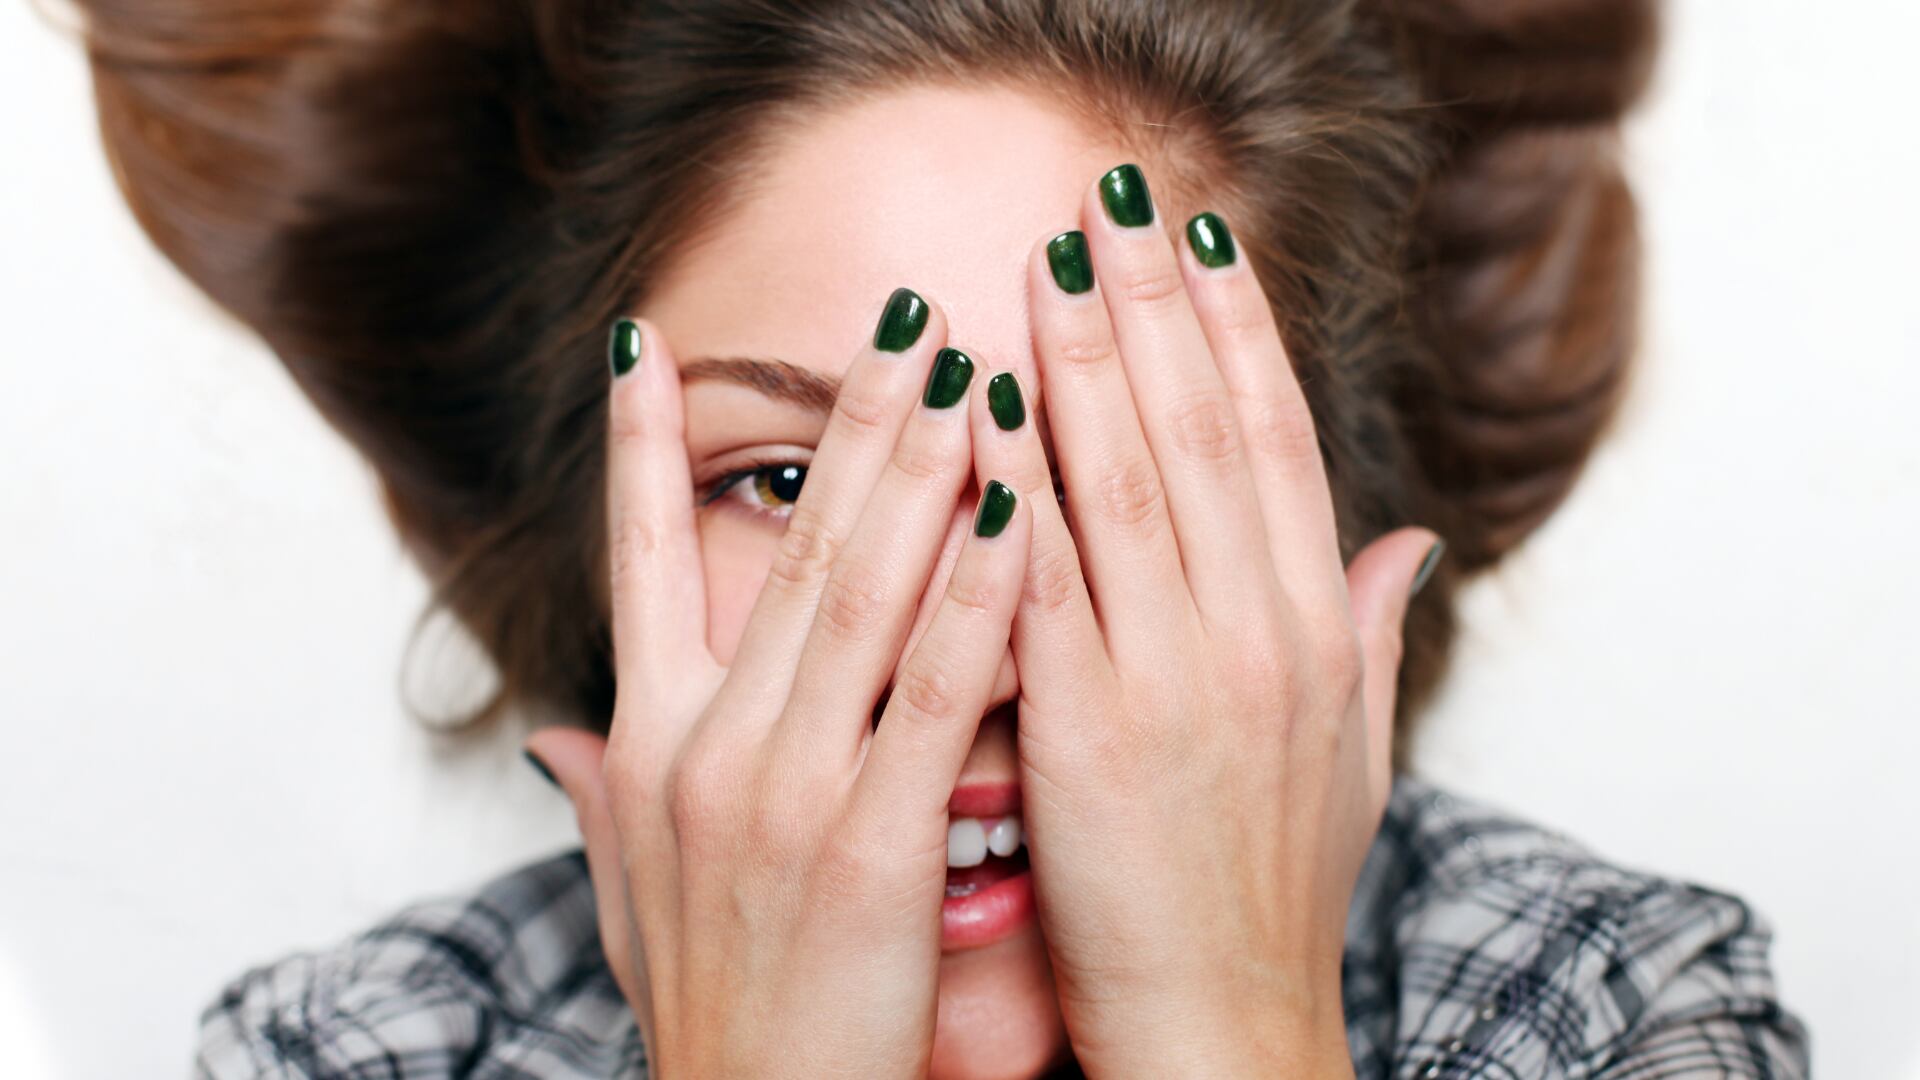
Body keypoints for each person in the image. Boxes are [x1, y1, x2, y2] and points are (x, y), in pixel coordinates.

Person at [73, 0, 1809, 1076]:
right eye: (787, 482)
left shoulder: (1611, 1005)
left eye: (1115, 476)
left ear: (1329, 552)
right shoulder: (354, 1053)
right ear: (606, 552)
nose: (954, 654)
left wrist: (1225, 1037)